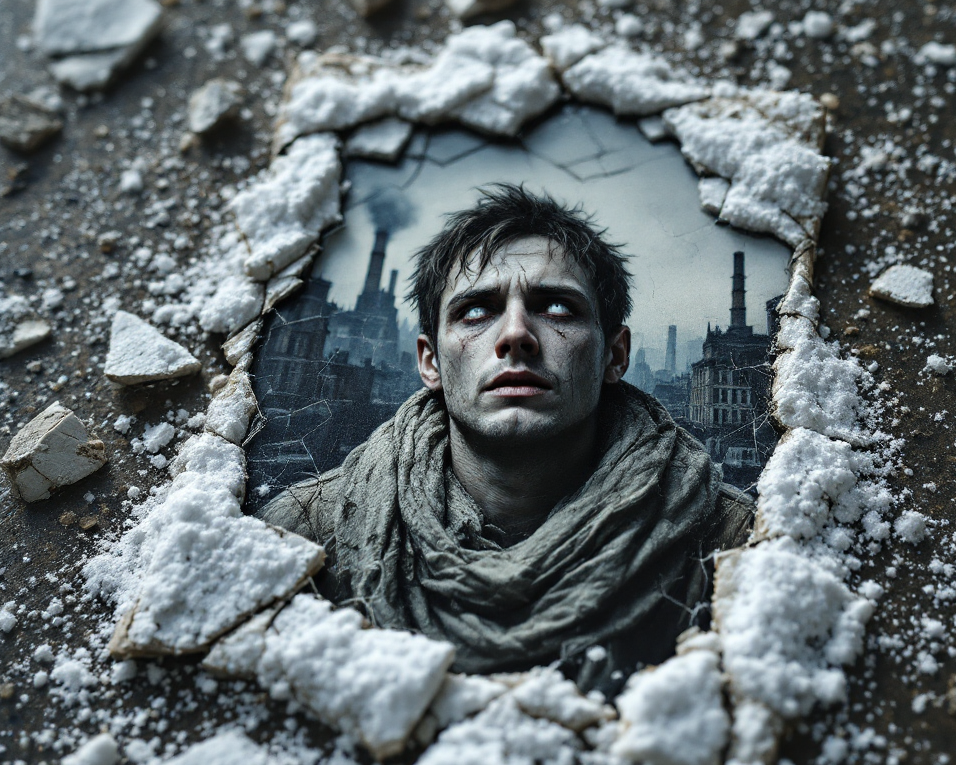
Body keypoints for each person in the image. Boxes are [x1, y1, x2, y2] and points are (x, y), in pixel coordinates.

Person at [259, 184, 753, 696]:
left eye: (557, 307)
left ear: (615, 354)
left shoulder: (732, 544)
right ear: (430, 361)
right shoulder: (304, 536)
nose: (515, 334)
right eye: (475, 311)